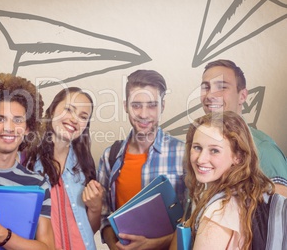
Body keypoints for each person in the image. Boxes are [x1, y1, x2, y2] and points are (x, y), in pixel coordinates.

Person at [97, 69, 186, 249]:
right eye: (136, 105)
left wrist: (152, 244)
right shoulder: (110, 156)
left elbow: (193, 218)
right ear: (125, 106)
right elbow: (103, 214)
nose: (144, 114)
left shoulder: (184, 154)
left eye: (152, 105)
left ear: (163, 106)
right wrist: (114, 246)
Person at [0, 73, 55, 249]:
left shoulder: (38, 184)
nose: (8, 128)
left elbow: (47, 248)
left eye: (17, 120)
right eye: (0, 119)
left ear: (27, 128)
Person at [173, 111, 275, 250]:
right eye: (197, 147)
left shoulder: (217, 212)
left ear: (238, 156)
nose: (201, 159)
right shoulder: (245, 195)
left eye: (214, 150)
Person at [26, 87, 104, 250]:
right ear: (52, 110)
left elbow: (88, 229)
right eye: (69, 109)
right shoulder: (28, 162)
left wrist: (96, 207)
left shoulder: (85, 166)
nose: (74, 120)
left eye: (83, 117)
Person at [200, 59, 287, 196]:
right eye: (206, 87)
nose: (210, 95)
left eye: (221, 87)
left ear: (242, 96)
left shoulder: (263, 149)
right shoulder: (200, 148)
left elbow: (281, 211)